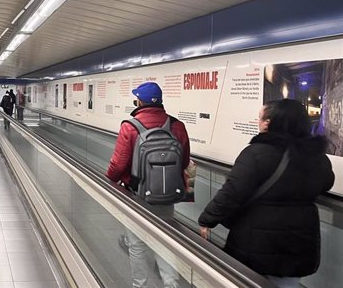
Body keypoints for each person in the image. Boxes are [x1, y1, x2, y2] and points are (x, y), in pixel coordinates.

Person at [198, 99, 334, 288]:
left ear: (269, 123)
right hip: (299, 243)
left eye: (260, 118)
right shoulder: (316, 156)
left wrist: (207, 219)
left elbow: (232, 192)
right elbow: (327, 183)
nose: (258, 122)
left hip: (257, 243)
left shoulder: (256, 153)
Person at [106, 82, 190, 288]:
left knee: (137, 244)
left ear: (139, 101)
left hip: (137, 195)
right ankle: (171, 285)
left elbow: (118, 164)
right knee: (166, 242)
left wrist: (108, 179)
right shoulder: (177, 126)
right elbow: (185, 161)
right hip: (167, 195)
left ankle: (140, 285)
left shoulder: (130, 126)